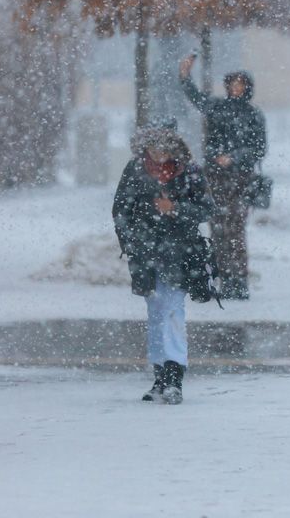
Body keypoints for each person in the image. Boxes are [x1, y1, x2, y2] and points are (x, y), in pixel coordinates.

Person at [113, 124, 215, 405]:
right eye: (153, 150)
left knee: (171, 309)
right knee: (156, 311)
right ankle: (160, 375)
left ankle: (173, 375)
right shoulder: (135, 170)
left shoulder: (189, 171)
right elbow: (121, 210)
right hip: (145, 254)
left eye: (163, 150)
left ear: (173, 149)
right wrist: (132, 242)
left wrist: (176, 209)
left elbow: (207, 208)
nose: (158, 156)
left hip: (180, 252)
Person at [179, 54, 266, 300]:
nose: (236, 88)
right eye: (232, 84)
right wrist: (185, 77)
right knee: (217, 228)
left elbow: (259, 148)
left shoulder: (253, 115)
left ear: (247, 87)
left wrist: (234, 157)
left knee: (235, 229)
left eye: (240, 84)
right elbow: (196, 98)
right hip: (215, 178)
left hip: (240, 179)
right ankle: (224, 277)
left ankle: (239, 279)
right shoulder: (217, 107)